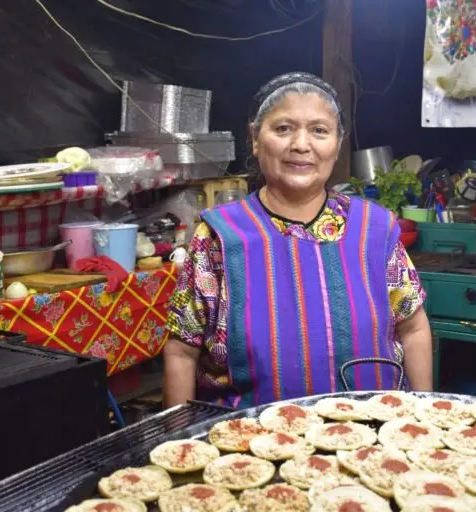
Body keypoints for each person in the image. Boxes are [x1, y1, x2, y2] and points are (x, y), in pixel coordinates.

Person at [164, 72, 433, 409]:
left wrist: (422, 414)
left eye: (319, 130)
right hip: (248, 446)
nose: (301, 145)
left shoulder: (374, 229)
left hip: (373, 439)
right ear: (255, 138)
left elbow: (413, 328)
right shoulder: (220, 237)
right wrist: (181, 441)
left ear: (337, 143)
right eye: (283, 129)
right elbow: (182, 350)